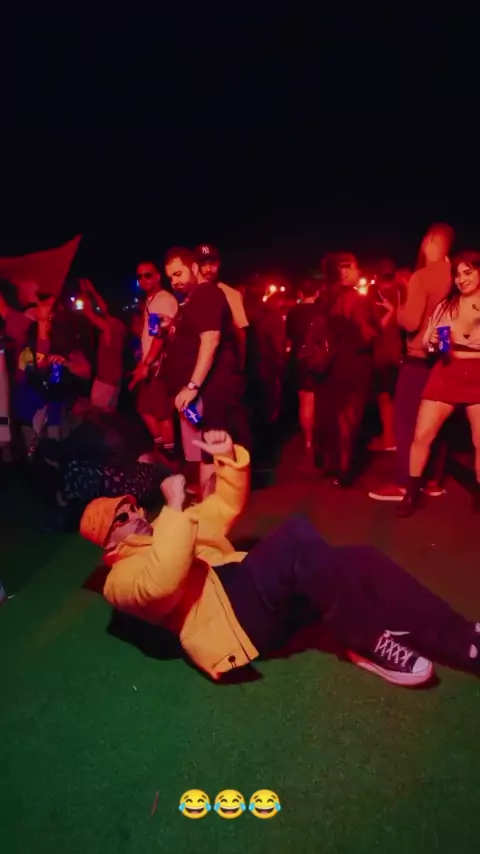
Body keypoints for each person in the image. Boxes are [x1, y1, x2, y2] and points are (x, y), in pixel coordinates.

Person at [80, 429, 480, 687]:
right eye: (121, 518)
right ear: (108, 543)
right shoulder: (119, 580)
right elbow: (162, 583)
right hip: (236, 625)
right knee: (294, 537)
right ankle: (369, 639)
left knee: (363, 560)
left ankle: (464, 640)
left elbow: (223, 506)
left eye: (131, 507)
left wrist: (227, 456)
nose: (135, 515)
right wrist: (172, 509)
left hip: (252, 593)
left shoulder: (171, 526)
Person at [369, 224, 453, 502]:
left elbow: (412, 321)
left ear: (429, 242)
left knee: (406, 423)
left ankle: (406, 484)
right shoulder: (457, 276)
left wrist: (399, 311)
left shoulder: (422, 277)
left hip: (418, 360)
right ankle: (432, 481)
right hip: (444, 358)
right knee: (437, 424)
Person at [398, 252, 480, 516]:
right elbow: (436, 348)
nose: (461, 279)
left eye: (468, 272)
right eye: (457, 274)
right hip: (447, 370)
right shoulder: (447, 306)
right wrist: (433, 342)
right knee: (422, 435)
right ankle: (412, 493)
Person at [163, 247, 248, 497]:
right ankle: (212, 503)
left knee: (215, 451)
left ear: (194, 268)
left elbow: (210, 341)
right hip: (207, 389)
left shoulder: (207, 293)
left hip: (216, 387)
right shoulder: (195, 298)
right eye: (170, 277)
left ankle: (218, 505)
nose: (174, 281)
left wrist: (192, 386)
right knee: (209, 451)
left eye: (178, 273)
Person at [313, 253, 394, 486]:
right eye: (356, 267)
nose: (359, 271)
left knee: (329, 414)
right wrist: (388, 316)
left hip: (327, 364)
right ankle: (343, 470)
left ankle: (329, 463)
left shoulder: (323, 296)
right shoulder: (353, 298)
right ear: (344, 270)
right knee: (348, 416)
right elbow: (366, 335)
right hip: (351, 364)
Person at [129, 261, 178, 458]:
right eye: (139, 276)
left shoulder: (163, 299)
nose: (143, 279)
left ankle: (169, 455)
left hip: (160, 366)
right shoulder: (152, 300)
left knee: (162, 412)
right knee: (144, 408)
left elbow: (160, 336)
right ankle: (162, 449)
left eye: (148, 275)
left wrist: (146, 363)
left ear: (158, 276)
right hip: (152, 364)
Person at [194, 244, 249, 368]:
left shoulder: (231, 294)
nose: (208, 268)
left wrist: (241, 365)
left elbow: (240, 334)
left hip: (220, 364)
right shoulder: (190, 293)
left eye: (212, 263)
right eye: (203, 264)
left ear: (219, 264)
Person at [78, 279, 127, 412]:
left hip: (105, 381)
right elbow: (102, 305)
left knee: (98, 414)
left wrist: (84, 293)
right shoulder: (121, 326)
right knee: (110, 415)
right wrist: (93, 291)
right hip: (115, 381)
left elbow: (88, 312)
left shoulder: (108, 327)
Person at [286, 277, 321, 451]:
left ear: (300, 293)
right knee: (317, 400)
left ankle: (308, 439)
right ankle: (318, 437)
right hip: (318, 358)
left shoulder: (293, 312)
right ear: (317, 293)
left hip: (298, 359)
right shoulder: (322, 311)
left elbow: (289, 338)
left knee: (304, 401)